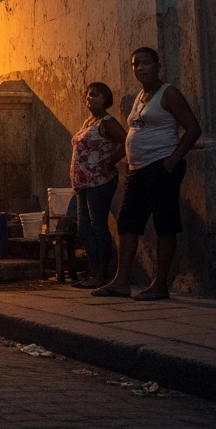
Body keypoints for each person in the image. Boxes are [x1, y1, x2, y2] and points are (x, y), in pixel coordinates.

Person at [93, 47, 202, 301]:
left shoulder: (169, 93)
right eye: (135, 64)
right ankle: (121, 282)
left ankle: (160, 284)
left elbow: (194, 128)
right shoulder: (141, 96)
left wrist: (172, 160)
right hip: (138, 170)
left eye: (145, 63)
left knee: (165, 224)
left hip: (161, 166)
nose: (140, 68)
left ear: (157, 66)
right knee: (127, 222)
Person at [70, 82, 125, 288]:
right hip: (83, 184)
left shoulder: (107, 122)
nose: (89, 99)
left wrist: (110, 160)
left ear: (105, 99)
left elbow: (126, 141)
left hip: (100, 181)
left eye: (94, 95)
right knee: (84, 228)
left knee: (97, 226)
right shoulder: (88, 122)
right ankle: (94, 271)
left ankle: (102, 274)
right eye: (88, 95)